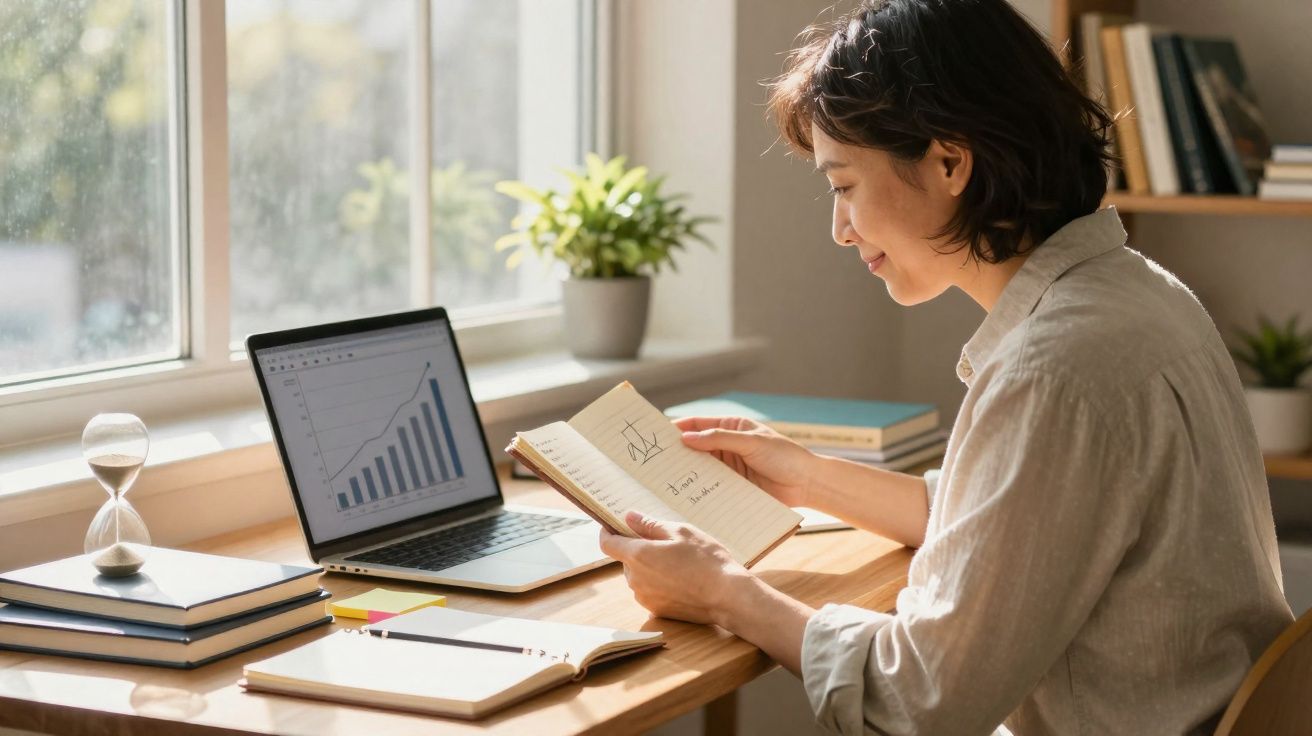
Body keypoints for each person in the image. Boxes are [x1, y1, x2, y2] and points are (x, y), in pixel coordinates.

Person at [597, 1, 1294, 734]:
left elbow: (923, 698)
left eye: (843, 187)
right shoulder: (1138, 292)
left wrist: (727, 596)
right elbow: (1018, 524)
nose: (839, 230)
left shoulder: (1055, 368)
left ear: (951, 161)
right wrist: (805, 475)